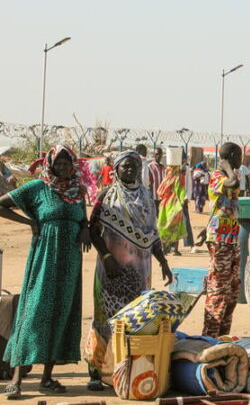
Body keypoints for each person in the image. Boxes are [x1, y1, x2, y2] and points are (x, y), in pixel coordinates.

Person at [0, 145, 90, 398]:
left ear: (73, 165)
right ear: (50, 164)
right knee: (34, 312)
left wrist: (84, 227)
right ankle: (16, 379)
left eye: (66, 163)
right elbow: (2, 205)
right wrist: (29, 222)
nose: (62, 167)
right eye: (58, 163)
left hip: (70, 260)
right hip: (44, 257)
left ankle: (47, 378)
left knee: (62, 312)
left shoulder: (78, 191)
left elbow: (82, 219)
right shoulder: (38, 187)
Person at [85, 150, 173, 390]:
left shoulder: (146, 197)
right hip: (110, 269)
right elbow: (93, 229)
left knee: (135, 319)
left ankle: (125, 370)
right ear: (116, 169)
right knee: (104, 319)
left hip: (140, 270)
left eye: (134, 166)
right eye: (125, 166)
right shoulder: (107, 195)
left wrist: (163, 262)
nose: (130, 170)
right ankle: (96, 370)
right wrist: (106, 256)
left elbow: (152, 233)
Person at [202, 142, 242, 338]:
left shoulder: (232, 175)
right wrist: (225, 165)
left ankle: (223, 336)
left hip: (232, 238)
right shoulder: (217, 176)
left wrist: (231, 169)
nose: (241, 161)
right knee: (218, 289)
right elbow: (232, 183)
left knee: (232, 291)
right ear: (232, 156)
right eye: (239, 156)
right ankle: (210, 336)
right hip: (219, 239)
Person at [158, 160, 189, 256]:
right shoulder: (179, 178)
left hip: (165, 205)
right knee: (176, 226)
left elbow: (159, 192)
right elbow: (182, 191)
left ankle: (164, 248)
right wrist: (182, 200)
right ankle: (175, 250)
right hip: (175, 205)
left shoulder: (166, 180)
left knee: (164, 225)